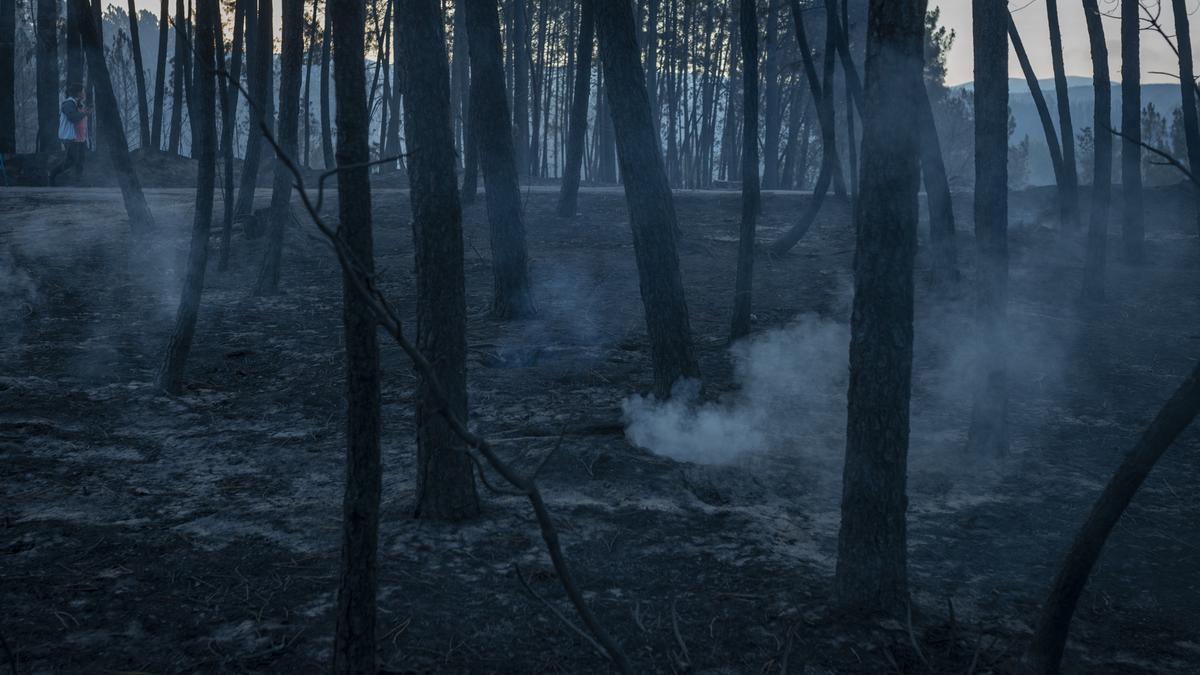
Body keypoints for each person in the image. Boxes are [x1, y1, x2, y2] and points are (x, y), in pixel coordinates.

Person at [49, 83, 90, 186]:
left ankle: (78, 182)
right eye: (83, 91)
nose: (84, 93)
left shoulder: (77, 103)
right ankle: (52, 174)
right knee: (72, 160)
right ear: (79, 93)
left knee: (80, 160)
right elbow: (72, 117)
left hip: (79, 137)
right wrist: (85, 113)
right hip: (69, 137)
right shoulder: (68, 104)